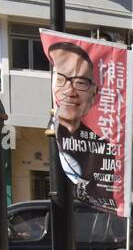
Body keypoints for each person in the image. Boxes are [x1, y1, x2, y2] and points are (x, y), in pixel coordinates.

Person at [47, 41, 118, 212]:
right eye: (61, 79)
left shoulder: (105, 149)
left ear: (94, 93)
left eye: (80, 82)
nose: (70, 91)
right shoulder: (54, 135)